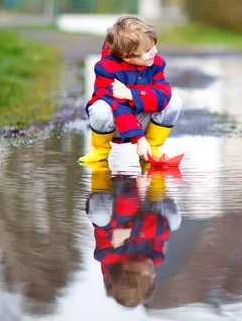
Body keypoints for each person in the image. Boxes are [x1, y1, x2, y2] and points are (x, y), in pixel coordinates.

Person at [78, 15, 182, 164]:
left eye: (154, 46)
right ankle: (99, 150)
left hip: (142, 120)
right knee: (100, 108)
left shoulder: (156, 64)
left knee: (173, 100)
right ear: (126, 56)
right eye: (147, 50)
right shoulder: (105, 69)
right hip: (115, 125)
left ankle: (152, 147)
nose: (155, 51)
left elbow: (162, 95)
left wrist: (131, 94)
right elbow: (117, 106)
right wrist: (138, 138)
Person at [85, 162, 180, 307]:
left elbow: (120, 215)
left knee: (100, 216)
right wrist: (130, 231)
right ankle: (155, 173)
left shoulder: (108, 254)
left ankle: (100, 172)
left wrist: (136, 189)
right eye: (152, 278)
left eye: (147, 277)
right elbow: (162, 227)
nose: (154, 274)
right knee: (173, 221)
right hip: (144, 196)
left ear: (127, 270)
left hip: (117, 194)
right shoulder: (154, 257)